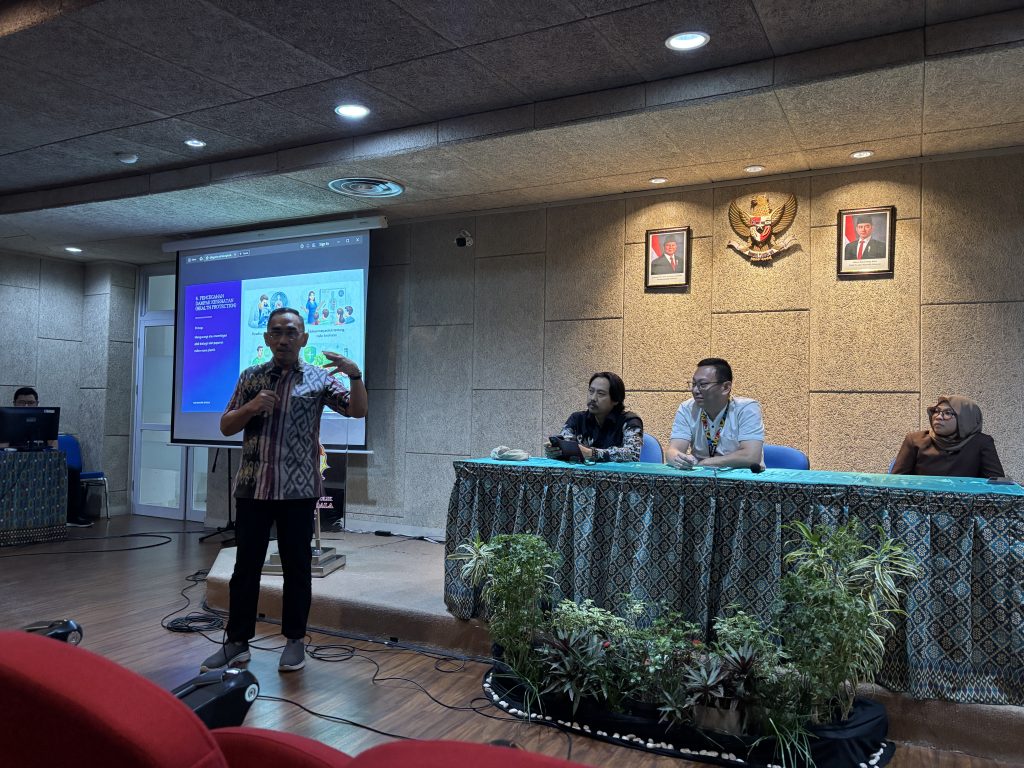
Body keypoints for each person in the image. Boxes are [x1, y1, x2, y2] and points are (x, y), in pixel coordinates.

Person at [201, 308, 367, 674]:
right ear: (266, 339)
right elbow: (227, 425)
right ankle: (237, 643)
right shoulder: (251, 377)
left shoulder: (319, 379)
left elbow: (357, 410)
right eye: (276, 332)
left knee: (297, 569)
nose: (283, 339)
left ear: (303, 339)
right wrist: (251, 406)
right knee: (246, 569)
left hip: (298, 491)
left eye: (291, 332)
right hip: (253, 489)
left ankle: (294, 641)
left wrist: (354, 374)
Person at [12, 387, 91, 527]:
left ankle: (72, 516)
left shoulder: (45, 420)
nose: (26, 406)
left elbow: (54, 446)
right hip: (14, 463)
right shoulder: (6, 419)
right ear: (14, 403)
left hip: (42, 462)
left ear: (37, 403)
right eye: (22, 402)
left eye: (30, 403)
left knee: (72, 472)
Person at [666, 358, 765, 469]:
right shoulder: (687, 408)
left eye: (702, 384)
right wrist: (679, 459)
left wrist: (706, 462)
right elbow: (673, 451)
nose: (695, 390)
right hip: (700, 479)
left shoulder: (746, 409)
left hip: (742, 481)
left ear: (726, 387)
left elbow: (750, 456)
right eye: (694, 384)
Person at [891, 396, 1004, 478]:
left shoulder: (981, 443)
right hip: (920, 507)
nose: (938, 417)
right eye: (936, 411)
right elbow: (895, 482)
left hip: (965, 508)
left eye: (948, 413)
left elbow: (996, 485)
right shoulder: (915, 440)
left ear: (965, 419)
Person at [544, 372, 643, 462]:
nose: (593, 398)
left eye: (600, 394)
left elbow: (632, 455)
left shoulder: (631, 421)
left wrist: (592, 453)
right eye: (591, 391)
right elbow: (566, 447)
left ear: (616, 399)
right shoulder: (577, 419)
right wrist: (555, 452)